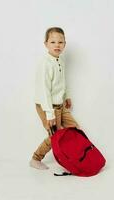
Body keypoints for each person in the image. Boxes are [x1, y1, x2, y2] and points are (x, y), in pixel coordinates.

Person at [29, 27, 79, 170]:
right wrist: (49, 113)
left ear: (64, 44)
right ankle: (35, 159)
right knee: (55, 136)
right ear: (46, 44)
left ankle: (75, 156)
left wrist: (67, 96)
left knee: (74, 129)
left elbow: (62, 81)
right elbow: (44, 90)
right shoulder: (46, 63)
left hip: (59, 104)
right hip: (46, 106)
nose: (57, 45)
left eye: (60, 42)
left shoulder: (60, 60)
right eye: (53, 42)